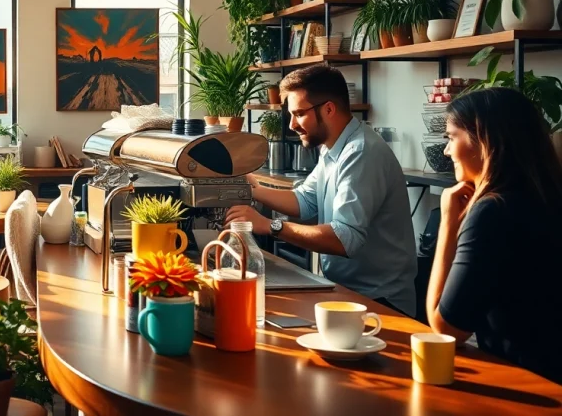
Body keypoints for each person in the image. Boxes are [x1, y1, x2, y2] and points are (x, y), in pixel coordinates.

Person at [226, 65, 417, 315]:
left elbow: (344, 238)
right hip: (347, 290)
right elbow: (305, 200)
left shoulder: (360, 152)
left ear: (328, 109)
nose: (292, 124)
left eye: (299, 114)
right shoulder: (332, 146)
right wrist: (251, 190)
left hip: (380, 300)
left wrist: (270, 226)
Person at [426, 88, 562, 383]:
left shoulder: (493, 211)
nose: (447, 151)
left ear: (484, 141)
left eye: (451, 137)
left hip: (527, 385)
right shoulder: (545, 196)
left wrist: (448, 223)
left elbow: (445, 328)